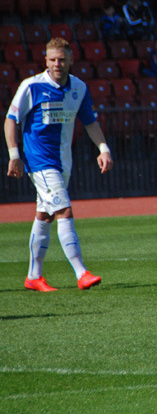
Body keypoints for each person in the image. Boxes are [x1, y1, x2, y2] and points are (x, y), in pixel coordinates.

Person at [4, 37, 113, 292]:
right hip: (40, 162)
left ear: (71, 60)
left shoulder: (79, 87)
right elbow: (11, 119)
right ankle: (81, 272)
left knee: (44, 216)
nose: (57, 64)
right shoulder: (31, 86)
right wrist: (14, 154)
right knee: (64, 211)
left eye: (62, 59)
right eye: (52, 59)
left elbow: (90, 122)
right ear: (45, 60)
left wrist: (104, 149)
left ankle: (33, 276)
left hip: (64, 161)